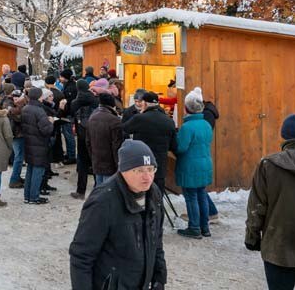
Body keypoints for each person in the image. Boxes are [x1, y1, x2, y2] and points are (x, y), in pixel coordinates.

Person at [69, 139, 167, 290]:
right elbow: (81, 256)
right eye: (139, 170)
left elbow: (156, 242)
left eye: (150, 169)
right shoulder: (103, 201)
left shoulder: (153, 193)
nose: (147, 177)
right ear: (124, 170)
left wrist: (159, 279)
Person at [246, 114, 295, 289]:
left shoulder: (268, 165)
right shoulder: (268, 165)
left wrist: (252, 238)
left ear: (284, 136)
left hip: (278, 248)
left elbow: (257, 207)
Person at [175, 87, 215, 239]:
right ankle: (205, 227)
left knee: (191, 197)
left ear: (186, 108)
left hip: (190, 166)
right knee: (202, 195)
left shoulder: (187, 127)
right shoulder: (206, 124)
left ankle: (194, 227)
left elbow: (181, 148)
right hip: (205, 163)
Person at [122, 91, 177, 195]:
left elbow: (125, 128)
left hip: (143, 162)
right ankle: (158, 210)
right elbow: (174, 145)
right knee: (158, 194)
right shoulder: (169, 121)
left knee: (143, 193)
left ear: (145, 104)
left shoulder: (140, 118)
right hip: (160, 163)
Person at [21, 87, 54, 205]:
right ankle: (34, 197)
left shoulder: (25, 108)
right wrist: (51, 122)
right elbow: (46, 130)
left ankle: (27, 196)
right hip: (39, 144)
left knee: (30, 170)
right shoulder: (39, 110)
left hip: (29, 143)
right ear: (38, 97)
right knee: (38, 171)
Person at [70, 79, 99, 200]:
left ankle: (80, 191)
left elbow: (71, 113)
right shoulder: (95, 100)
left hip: (82, 134)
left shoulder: (75, 102)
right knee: (96, 162)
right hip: (95, 133)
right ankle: (98, 190)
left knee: (82, 162)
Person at [87, 93, 123, 186]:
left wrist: (93, 157)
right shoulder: (115, 120)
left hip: (97, 160)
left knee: (99, 188)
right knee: (109, 189)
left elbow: (88, 142)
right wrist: (119, 164)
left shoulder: (92, 117)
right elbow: (117, 145)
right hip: (110, 163)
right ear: (112, 104)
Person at [59, 70, 78, 165]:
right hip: (68, 113)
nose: (60, 78)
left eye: (61, 77)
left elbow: (69, 102)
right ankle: (70, 154)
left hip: (68, 114)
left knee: (69, 135)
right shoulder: (69, 85)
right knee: (67, 135)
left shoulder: (70, 88)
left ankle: (71, 156)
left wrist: (64, 110)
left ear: (65, 77)